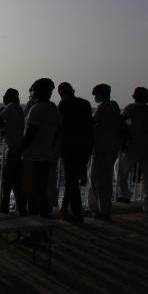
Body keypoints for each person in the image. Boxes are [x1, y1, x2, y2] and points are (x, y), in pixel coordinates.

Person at [19, 78, 61, 218]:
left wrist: (19, 151)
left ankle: (34, 228)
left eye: (33, 91)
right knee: (42, 192)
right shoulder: (54, 109)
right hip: (46, 156)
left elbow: (30, 134)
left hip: (32, 158)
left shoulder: (37, 109)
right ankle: (43, 225)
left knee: (30, 193)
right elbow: (57, 133)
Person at [116, 86, 148, 215]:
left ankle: (124, 194)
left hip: (134, 145)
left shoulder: (131, 108)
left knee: (120, 169)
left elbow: (120, 120)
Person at [57, 82, 93, 224]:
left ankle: (77, 213)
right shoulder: (85, 104)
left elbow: (60, 125)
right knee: (73, 178)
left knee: (71, 180)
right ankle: (65, 207)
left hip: (69, 146)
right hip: (84, 145)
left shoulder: (63, 104)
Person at [85, 83, 122, 220]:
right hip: (112, 146)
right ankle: (102, 208)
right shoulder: (115, 106)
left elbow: (93, 122)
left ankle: (102, 210)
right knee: (105, 179)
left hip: (102, 147)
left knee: (98, 180)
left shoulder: (103, 107)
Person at [0, 88, 25, 214]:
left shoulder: (11, 107)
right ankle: (21, 209)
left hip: (12, 150)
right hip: (19, 150)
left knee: (6, 182)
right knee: (17, 183)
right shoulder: (19, 109)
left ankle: (4, 209)